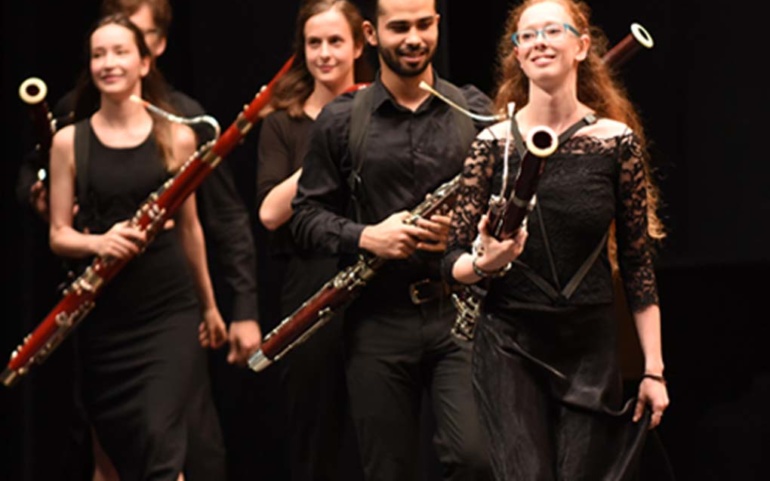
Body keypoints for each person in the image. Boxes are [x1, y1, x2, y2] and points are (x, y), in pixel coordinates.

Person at [440, 0, 670, 479]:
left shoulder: (615, 142)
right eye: (527, 35)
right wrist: (485, 262)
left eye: (553, 30)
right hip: (509, 343)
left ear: (582, 46)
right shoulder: (493, 145)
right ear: (518, 55)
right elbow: (451, 263)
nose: (540, 41)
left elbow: (637, 264)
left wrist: (653, 370)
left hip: (589, 344)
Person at [289, 0, 493, 479]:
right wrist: (367, 236)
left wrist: (461, 229)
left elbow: (502, 206)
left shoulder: (475, 111)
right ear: (372, 33)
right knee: (387, 470)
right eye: (399, 27)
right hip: (376, 321)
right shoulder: (342, 120)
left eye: (424, 24)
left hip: (458, 315)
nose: (414, 38)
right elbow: (304, 217)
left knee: (477, 460)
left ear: (438, 25)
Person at [47, 13, 229, 481]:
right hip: (104, 321)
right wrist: (100, 241)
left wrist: (209, 307)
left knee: (160, 438)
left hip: (168, 311)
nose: (108, 63)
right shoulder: (69, 141)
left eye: (121, 52)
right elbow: (59, 236)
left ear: (145, 62)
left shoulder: (177, 134)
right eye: (98, 54)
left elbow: (191, 228)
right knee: (125, 451)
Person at [256, 1, 369, 479]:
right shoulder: (282, 122)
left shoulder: (382, 111)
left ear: (360, 44)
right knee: (313, 433)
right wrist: (329, 141)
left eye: (335, 41)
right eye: (314, 43)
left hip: (373, 281)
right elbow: (269, 213)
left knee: (374, 434)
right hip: (308, 284)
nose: (324, 53)